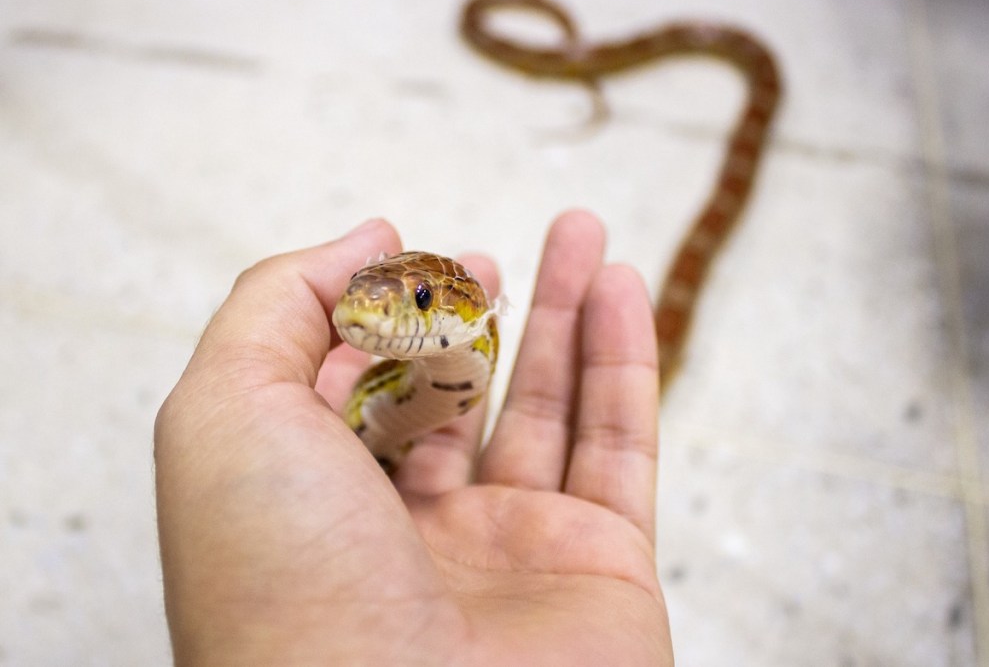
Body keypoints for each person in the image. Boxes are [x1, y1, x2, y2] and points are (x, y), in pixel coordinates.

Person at [155, 210, 673, 665]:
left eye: (422, 299)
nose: (366, 311)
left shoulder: (471, 329)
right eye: (358, 290)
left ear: (466, 308)